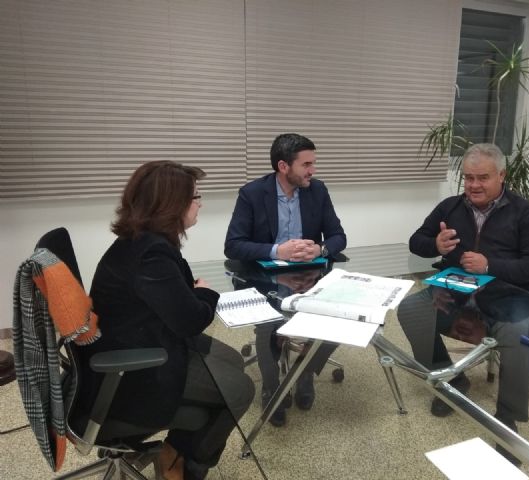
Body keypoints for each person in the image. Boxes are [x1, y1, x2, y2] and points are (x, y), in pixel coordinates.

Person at [78, 161, 255, 480]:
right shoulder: (151, 254)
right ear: (173, 204)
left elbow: (171, 301)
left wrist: (190, 293)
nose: (200, 203)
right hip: (135, 369)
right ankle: (184, 463)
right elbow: (190, 321)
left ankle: (181, 446)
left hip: (140, 339)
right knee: (240, 390)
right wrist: (205, 293)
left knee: (232, 360)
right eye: (196, 196)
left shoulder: (144, 241)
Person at [397, 143, 529, 465]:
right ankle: (451, 379)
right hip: (456, 293)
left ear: (502, 176)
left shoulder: (526, 214)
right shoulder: (451, 207)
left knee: (522, 334)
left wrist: (489, 265)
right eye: (468, 178)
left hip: (507, 296)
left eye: (482, 177)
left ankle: (507, 421)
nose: (474, 185)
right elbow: (417, 241)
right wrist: (434, 244)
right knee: (411, 309)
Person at [224, 132, 347, 426]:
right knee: (270, 324)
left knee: (341, 316)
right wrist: (279, 249)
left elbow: (338, 236)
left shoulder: (317, 191)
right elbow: (233, 245)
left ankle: (305, 371)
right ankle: (272, 388)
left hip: (311, 274)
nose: (312, 170)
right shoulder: (253, 193)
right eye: (306, 164)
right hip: (265, 277)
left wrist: (321, 248)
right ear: (283, 166)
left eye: (313, 163)